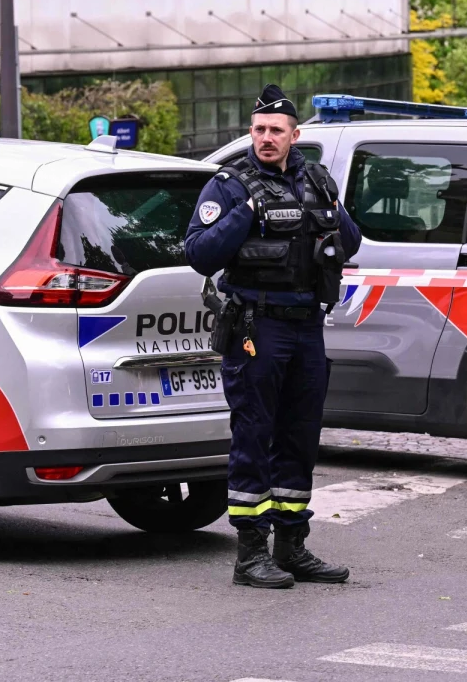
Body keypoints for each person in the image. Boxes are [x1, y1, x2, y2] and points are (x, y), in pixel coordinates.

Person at [185, 84, 362, 588]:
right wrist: (249, 214)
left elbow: (350, 242)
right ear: (251, 133)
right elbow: (199, 253)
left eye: (276, 131)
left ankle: (292, 546)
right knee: (254, 438)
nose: (266, 138)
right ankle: (249, 556)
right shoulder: (230, 186)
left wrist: (326, 212)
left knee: (299, 438)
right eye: (259, 130)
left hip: (307, 327)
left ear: (294, 136)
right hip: (255, 328)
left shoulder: (318, 181)